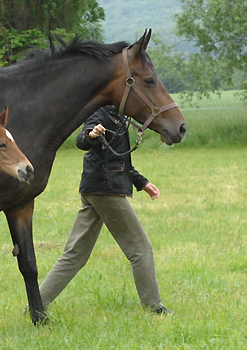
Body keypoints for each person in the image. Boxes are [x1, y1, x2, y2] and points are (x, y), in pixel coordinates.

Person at [39, 105, 173, 315]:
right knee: (140, 248)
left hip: (94, 188)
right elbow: (82, 139)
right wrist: (91, 134)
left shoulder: (117, 116)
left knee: (75, 254)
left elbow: (120, 159)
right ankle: (154, 307)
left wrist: (142, 183)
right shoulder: (100, 112)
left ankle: (37, 304)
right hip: (105, 190)